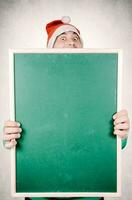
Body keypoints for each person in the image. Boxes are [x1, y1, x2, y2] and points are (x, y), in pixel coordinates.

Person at [3, 16, 130, 200]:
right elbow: (19, 132)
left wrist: (122, 135)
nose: (71, 42)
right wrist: (8, 137)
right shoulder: (32, 84)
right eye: (62, 38)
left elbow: (108, 141)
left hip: (89, 193)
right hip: (38, 193)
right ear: (50, 48)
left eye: (75, 38)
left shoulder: (99, 84)